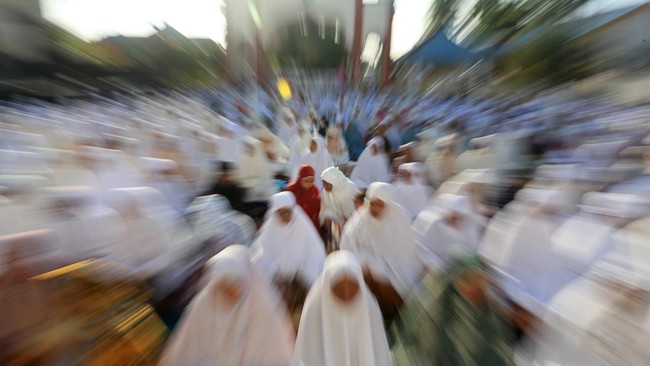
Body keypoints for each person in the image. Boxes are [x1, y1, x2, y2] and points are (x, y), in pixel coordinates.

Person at [159, 245, 295, 366]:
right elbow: (185, 352)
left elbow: (275, 355)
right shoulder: (204, 305)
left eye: (236, 285)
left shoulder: (264, 308)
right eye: (225, 288)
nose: (232, 294)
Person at [391, 252, 516, 366]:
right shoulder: (434, 311)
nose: (472, 289)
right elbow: (426, 353)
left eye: (479, 282)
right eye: (467, 280)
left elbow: (499, 351)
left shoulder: (489, 312)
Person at [340, 182, 424, 324]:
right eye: (372, 204)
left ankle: (394, 317)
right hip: (366, 272)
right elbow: (346, 248)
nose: (375, 209)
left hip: (396, 273)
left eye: (380, 205)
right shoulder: (359, 222)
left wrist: (381, 268)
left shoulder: (400, 221)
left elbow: (406, 259)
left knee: (388, 283)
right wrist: (370, 262)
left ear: (388, 205)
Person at [292, 251, 392, 366]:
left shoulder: (370, 312)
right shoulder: (313, 312)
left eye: (353, 288)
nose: (346, 293)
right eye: (338, 289)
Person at [252, 192, 326, 320]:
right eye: (280, 213)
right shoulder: (269, 232)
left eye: (287, 212)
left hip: (301, 284)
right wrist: (278, 273)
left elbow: (316, 255)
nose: (285, 216)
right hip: (277, 283)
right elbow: (262, 257)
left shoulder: (303, 228)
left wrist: (298, 275)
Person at [412, 194, 481, 268]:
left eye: (460, 218)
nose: (457, 221)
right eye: (454, 217)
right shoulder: (435, 224)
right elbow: (423, 251)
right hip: (434, 267)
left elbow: (472, 250)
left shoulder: (468, 228)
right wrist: (440, 266)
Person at [320, 167, 358, 248]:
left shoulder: (349, 189)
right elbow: (327, 208)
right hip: (336, 222)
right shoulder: (326, 191)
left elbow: (352, 212)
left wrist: (341, 222)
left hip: (350, 222)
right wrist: (329, 218)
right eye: (323, 183)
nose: (325, 186)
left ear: (334, 182)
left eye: (327, 183)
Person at [285, 165, 321, 233]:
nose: (309, 184)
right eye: (306, 181)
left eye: (312, 181)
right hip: (295, 226)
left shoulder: (315, 191)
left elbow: (317, 210)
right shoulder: (291, 190)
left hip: (311, 225)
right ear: (300, 179)